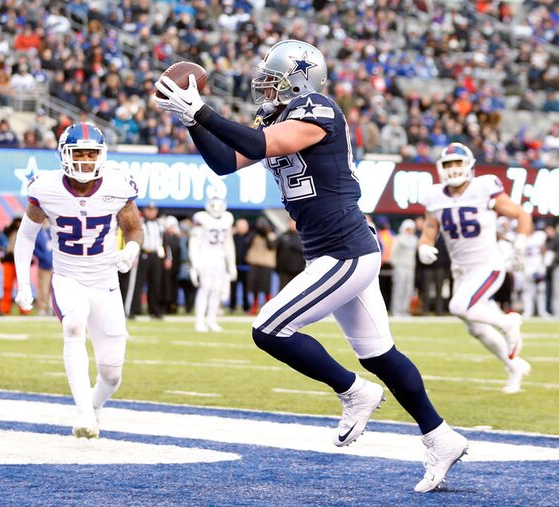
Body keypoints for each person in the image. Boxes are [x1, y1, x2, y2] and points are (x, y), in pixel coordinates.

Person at [154, 39, 467, 492]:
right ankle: (441, 437)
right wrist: (191, 122)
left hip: (345, 249)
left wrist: (202, 112)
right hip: (330, 249)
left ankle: (353, 391)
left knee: (269, 328)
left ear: (300, 79)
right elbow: (226, 161)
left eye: (274, 79)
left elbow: (263, 143)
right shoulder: (276, 116)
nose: (265, 88)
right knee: (379, 353)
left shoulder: (318, 109)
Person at [14, 122, 142, 438]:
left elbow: (134, 228)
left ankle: (95, 406)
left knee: (111, 373)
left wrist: (132, 250)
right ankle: (84, 412)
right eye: (79, 153)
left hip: (106, 284)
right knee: (73, 323)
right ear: (65, 155)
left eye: (91, 153)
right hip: (68, 278)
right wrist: (23, 283)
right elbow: (25, 237)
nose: (85, 160)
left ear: (101, 155)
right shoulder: (46, 187)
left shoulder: (116, 184)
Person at [418, 142, 532, 394]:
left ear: (469, 165)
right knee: (476, 328)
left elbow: (522, 215)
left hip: (488, 265)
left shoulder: (484, 187)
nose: (454, 168)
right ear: (440, 168)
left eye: (458, 162)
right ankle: (514, 367)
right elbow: (429, 229)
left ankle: (507, 323)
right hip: (461, 270)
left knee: (458, 306)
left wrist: (521, 242)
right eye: (449, 164)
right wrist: (424, 247)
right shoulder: (434, 196)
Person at [190, 196, 236, 332]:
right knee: (205, 288)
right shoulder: (201, 218)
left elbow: (228, 243)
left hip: (219, 259)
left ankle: (211, 320)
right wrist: (194, 264)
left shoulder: (227, 218)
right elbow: (194, 242)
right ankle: (199, 320)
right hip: (205, 258)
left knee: (217, 290)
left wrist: (231, 264)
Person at [131, 203, 165, 318]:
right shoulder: (140, 222)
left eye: (154, 210)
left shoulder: (159, 224)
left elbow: (162, 241)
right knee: (138, 283)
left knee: (156, 283)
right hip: (143, 254)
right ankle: (135, 309)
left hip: (156, 255)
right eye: (149, 210)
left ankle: (154, 310)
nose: (151, 212)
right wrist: (134, 256)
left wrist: (165, 256)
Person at [390, 219, 418, 316]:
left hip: (410, 268)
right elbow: (393, 254)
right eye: (409, 228)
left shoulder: (415, 239)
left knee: (408, 290)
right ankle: (396, 310)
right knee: (399, 289)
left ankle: (405, 310)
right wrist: (396, 265)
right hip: (400, 268)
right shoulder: (399, 238)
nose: (411, 230)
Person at [275, 218, 304, 290]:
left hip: (298, 270)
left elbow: (304, 250)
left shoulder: (303, 235)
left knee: (296, 291)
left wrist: (294, 245)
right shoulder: (283, 235)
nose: (292, 225)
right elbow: (277, 251)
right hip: (284, 270)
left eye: (293, 222)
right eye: (290, 223)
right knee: (283, 291)